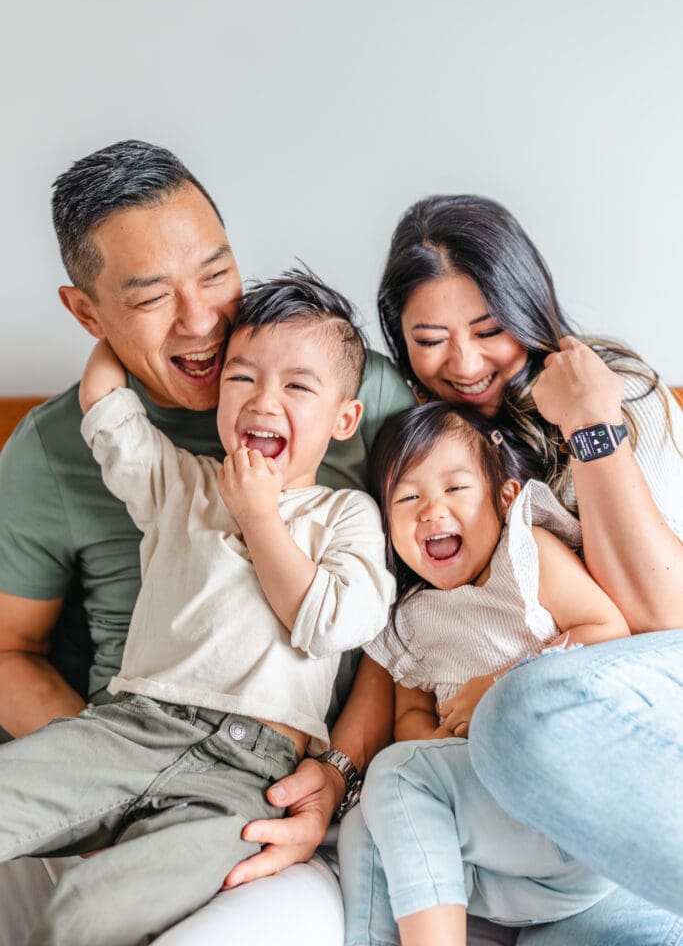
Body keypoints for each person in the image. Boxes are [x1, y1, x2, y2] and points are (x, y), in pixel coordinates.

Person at [0, 140, 415, 946]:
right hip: (115, 735)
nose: (200, 321)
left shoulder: (357, 394)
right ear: (88, 313)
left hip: (274, 790)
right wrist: (106, 777)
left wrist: (334, 777)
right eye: (152, 297)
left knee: (87, 918)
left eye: (216, 274)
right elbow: (8, 649)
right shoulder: (122, 466)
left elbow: (398, 633)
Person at [340, 193, 683, 945]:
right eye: (429, 339)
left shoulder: (620, 392)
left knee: (519, 716)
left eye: (489, 331)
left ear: (528, 309)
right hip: (520, 802)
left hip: (633, 699)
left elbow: (661, 621)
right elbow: (400, 640)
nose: (462, 364)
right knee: (379, 814)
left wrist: (589, 424)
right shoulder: (413, 443)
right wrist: (347, 767)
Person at [342, 400, 630, 946]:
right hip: (505, 863)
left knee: (397, 777)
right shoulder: (408, 617)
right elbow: (410, 714)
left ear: (505, 498)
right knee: (367, 820)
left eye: (455, 489)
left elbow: (607, 630)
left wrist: (501, 687)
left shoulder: (524, 557)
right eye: (408, 497)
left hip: (570, 816)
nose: (431, 510)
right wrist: (436, 745)